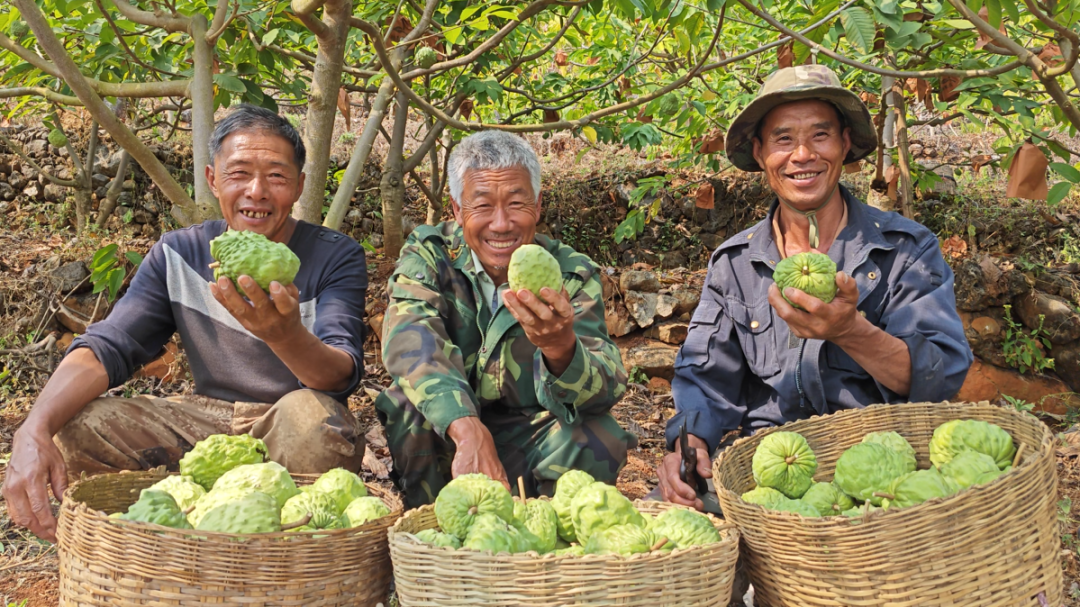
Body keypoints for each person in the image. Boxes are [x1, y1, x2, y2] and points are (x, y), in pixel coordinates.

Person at [2, 105, 370, 541]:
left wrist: (283, 335)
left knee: (317, 424)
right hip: (202, 423)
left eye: (275, 176)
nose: (257, 191)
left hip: (286, 422)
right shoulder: (178, 253)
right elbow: (111, 344)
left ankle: (272, 550)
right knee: (78, 428)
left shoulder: (336, 256)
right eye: (239, 174)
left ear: (300, 186)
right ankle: (157, 538)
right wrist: (34, 427)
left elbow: (339, 376)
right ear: (213, 180)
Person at [656, 65, 973, 512]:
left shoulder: (905, 250)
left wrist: (850, 331)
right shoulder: (736, 262)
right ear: (760, 151)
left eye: (819, 136)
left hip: (879, 471)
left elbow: (939, 377)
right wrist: (687, 447)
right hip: (769, 469)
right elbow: (706, 381)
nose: (802, 154)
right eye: (784, 139)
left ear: (844, 144)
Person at [376, 130, 636, 508]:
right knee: (408, 405)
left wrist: (561, 348)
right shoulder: (431, 256)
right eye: (482, 205)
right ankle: (431, 528)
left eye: (516, 204)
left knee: (599, 434)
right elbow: (410, 339)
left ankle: (548, 539)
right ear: (457, 210)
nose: (501, 224)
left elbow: (607, 384)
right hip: (451, 438)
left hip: (532, 438)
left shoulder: (570, 274)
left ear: (539, 204)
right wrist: (466, 427)